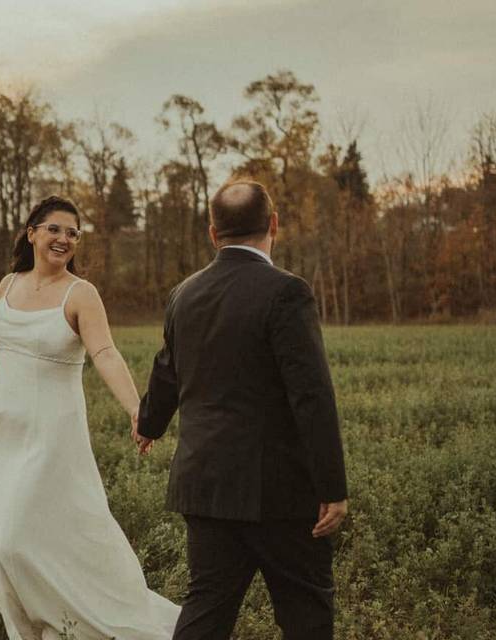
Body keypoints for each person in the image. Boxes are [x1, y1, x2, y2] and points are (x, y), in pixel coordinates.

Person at [0, 195, 180, 639]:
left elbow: (105, 353)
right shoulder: (8, 285)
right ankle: (36, 623)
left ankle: (68, 619)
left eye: (73, 233)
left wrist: (136, 408)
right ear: (32, 232)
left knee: (13, 541)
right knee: (16, 540)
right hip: (1, 430)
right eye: (55, 229)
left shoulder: (81, 294)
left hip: (50, 440)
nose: (64, 239)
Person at [134, 179, 349, 640]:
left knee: (206, 612)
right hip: (282, 492)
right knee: (306, 614)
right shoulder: (287, 292)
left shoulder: (183, 295)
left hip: (206, 485)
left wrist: (148, 423)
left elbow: (168, 371)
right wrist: (332, 486)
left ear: (213, 233)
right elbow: (311, 395)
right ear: (274, 225)